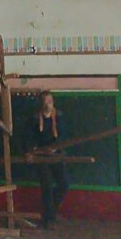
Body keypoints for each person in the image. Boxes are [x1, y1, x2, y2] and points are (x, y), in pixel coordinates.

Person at [24, 90, 70, 228]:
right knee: (47, 186)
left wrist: (56, 147)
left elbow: (63, 135)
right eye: (45, 102)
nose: (47, 105)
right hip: (41, 157)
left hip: (56, 155)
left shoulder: (59, 116)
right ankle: (48, 219)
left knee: (64, 184)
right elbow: (28, 137)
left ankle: (51, 212)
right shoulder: (34, 118)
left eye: (50, 101)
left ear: (53, 102)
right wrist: (28, 152)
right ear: (41, 103)